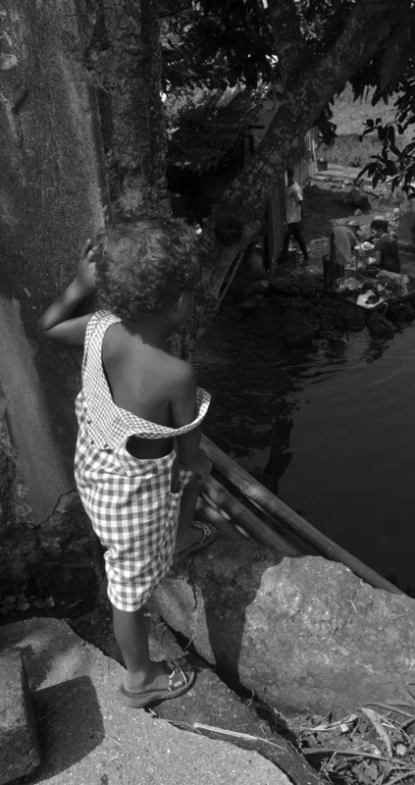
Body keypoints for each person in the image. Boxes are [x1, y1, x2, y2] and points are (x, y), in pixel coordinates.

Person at [39, 217, 217, 708]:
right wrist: (193, 465)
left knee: (134, 549)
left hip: (96, 470)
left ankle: (177, 538)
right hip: (136, 500)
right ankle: (140, 678)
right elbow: (186, 447)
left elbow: (48, 326)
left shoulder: (99, 329)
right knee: (128, 589)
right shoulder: (177, 374)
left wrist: (79, 284)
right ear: (180, 303)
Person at [282, 167, 309, 262]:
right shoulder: (287, 186)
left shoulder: (295, 189)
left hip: (294, 219)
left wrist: (302, 220)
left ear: (289, 177)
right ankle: (306, 256)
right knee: (297, 238)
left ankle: (283, 259)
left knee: (286, 237)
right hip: (289, 218)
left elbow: (302, 204)